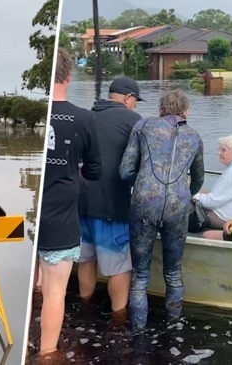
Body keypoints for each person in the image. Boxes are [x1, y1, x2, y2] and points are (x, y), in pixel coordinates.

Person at [35, 48, 102, 361]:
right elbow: (95, 171)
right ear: (69, 75)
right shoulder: (83, 118)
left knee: (35, 282)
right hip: (61, 216)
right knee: (55, 292)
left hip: (31, 211)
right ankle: (47, 353)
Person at [119, 89, 204, 332]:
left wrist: (145, 182)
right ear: (186, 111)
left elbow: (124, 172)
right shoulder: (195, 137)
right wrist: (184, 192)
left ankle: (138, 333)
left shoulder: (142, 126)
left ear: (160, 109)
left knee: (140, 276)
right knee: (174, 273)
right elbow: (197, 179)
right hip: (178, 206)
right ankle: (174, 330)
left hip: (144, 203)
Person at [77, 76, 143, 327]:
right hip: (112, 206)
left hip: (81, 203)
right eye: (135, 101)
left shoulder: (86, 115)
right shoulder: (133, 121)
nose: (135, 106)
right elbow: (141, 164)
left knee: (86, 259)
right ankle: (118, 318)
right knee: (119, 267)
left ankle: (85, 308)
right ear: (128, 98)